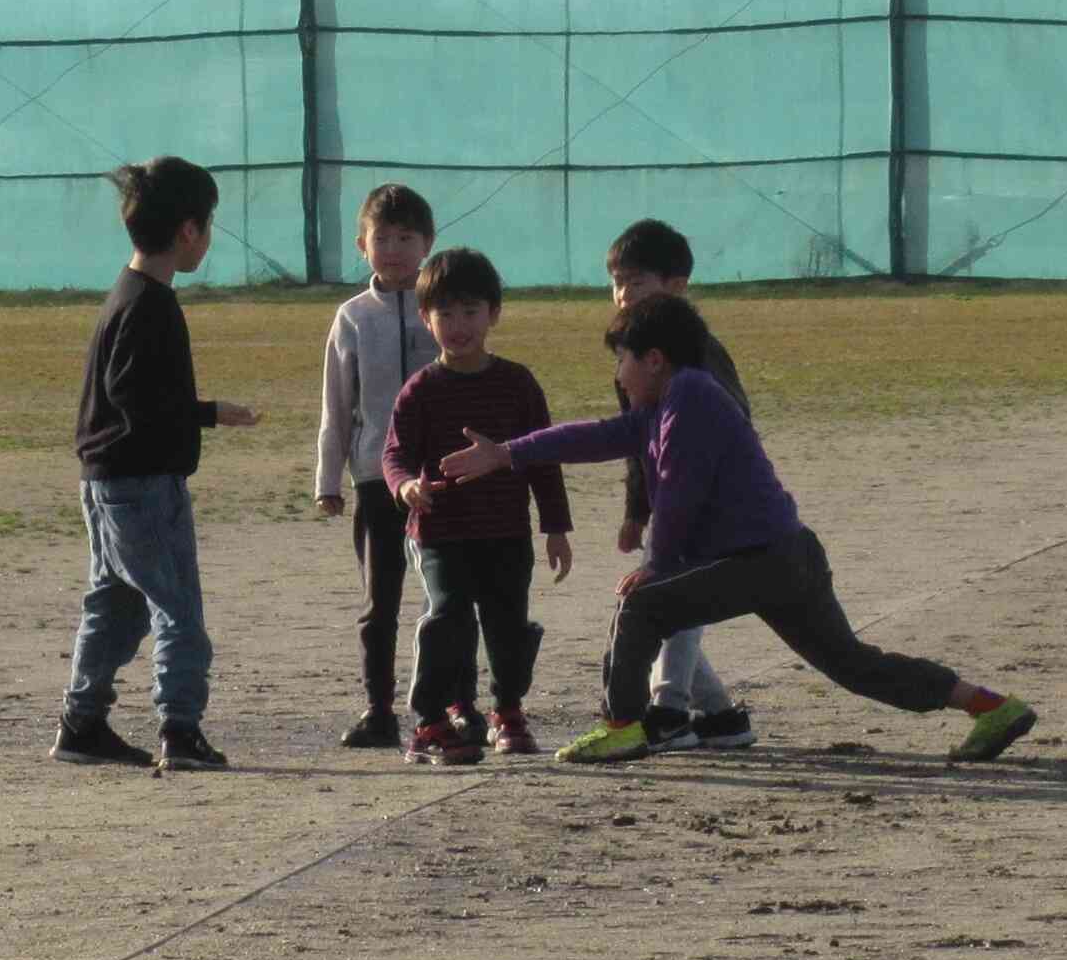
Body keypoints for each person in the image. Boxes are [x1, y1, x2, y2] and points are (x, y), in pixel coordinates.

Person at [440, 292, 1032, 767]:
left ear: (654, 360)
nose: (618, 375)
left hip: (765, 562)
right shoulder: (663, 403)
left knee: (643, 606)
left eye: (621, 360)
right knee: (856, 666)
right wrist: (507, 454)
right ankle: (990, 706)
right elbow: (592, 436)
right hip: (787, 557)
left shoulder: (690, 398)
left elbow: (677, 493)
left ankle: (622, 729)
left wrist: (657, 564)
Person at [57, 156, 259, 771]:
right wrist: (206, 412)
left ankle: (81, 723)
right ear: (189, 231)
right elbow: (134, 397)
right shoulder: (151, 305)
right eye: (209, 224)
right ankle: (180, 728)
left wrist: (200, 413)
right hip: (142, 484)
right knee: (177, 610)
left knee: (115, 608)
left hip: (105, 481)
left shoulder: (125, 292)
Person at [381, 248, 572, 760]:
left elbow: (542, 458)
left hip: (506, 531)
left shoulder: (517, 383)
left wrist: (556, 527)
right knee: (447, 617)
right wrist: (405, 488)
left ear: (494, 314)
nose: (458, 325)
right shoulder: (421, 390)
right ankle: (428, 721)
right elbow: (394, 454)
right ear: (426, 318)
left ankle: (506, 710)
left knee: (508, 622)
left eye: (470, 311)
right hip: (441, 534)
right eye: (444, 313)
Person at [601, 218, 752, 750]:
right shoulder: (633, 349)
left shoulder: (699, 352)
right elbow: (637, 442)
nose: (623, 293)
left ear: (677, 286)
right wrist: (635, 510)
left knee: (672, 599)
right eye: (617, 282)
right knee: (664, 602)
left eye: (637, 282)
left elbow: (734, 421)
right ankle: (721, 715)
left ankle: (668, 707)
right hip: (667, 500)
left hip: (705, 504)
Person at [312, 181, 437, 748]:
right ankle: (378, 709)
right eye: (381, 237)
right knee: (379, 602)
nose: (393, 248)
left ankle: (451, 703)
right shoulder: (353, 317)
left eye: (405, 237)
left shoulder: (445, 305)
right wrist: (328, 480)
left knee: (449, 597)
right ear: (362, 245)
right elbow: (337, 404)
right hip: (373, 477)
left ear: (426, 244)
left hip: (442, 476)